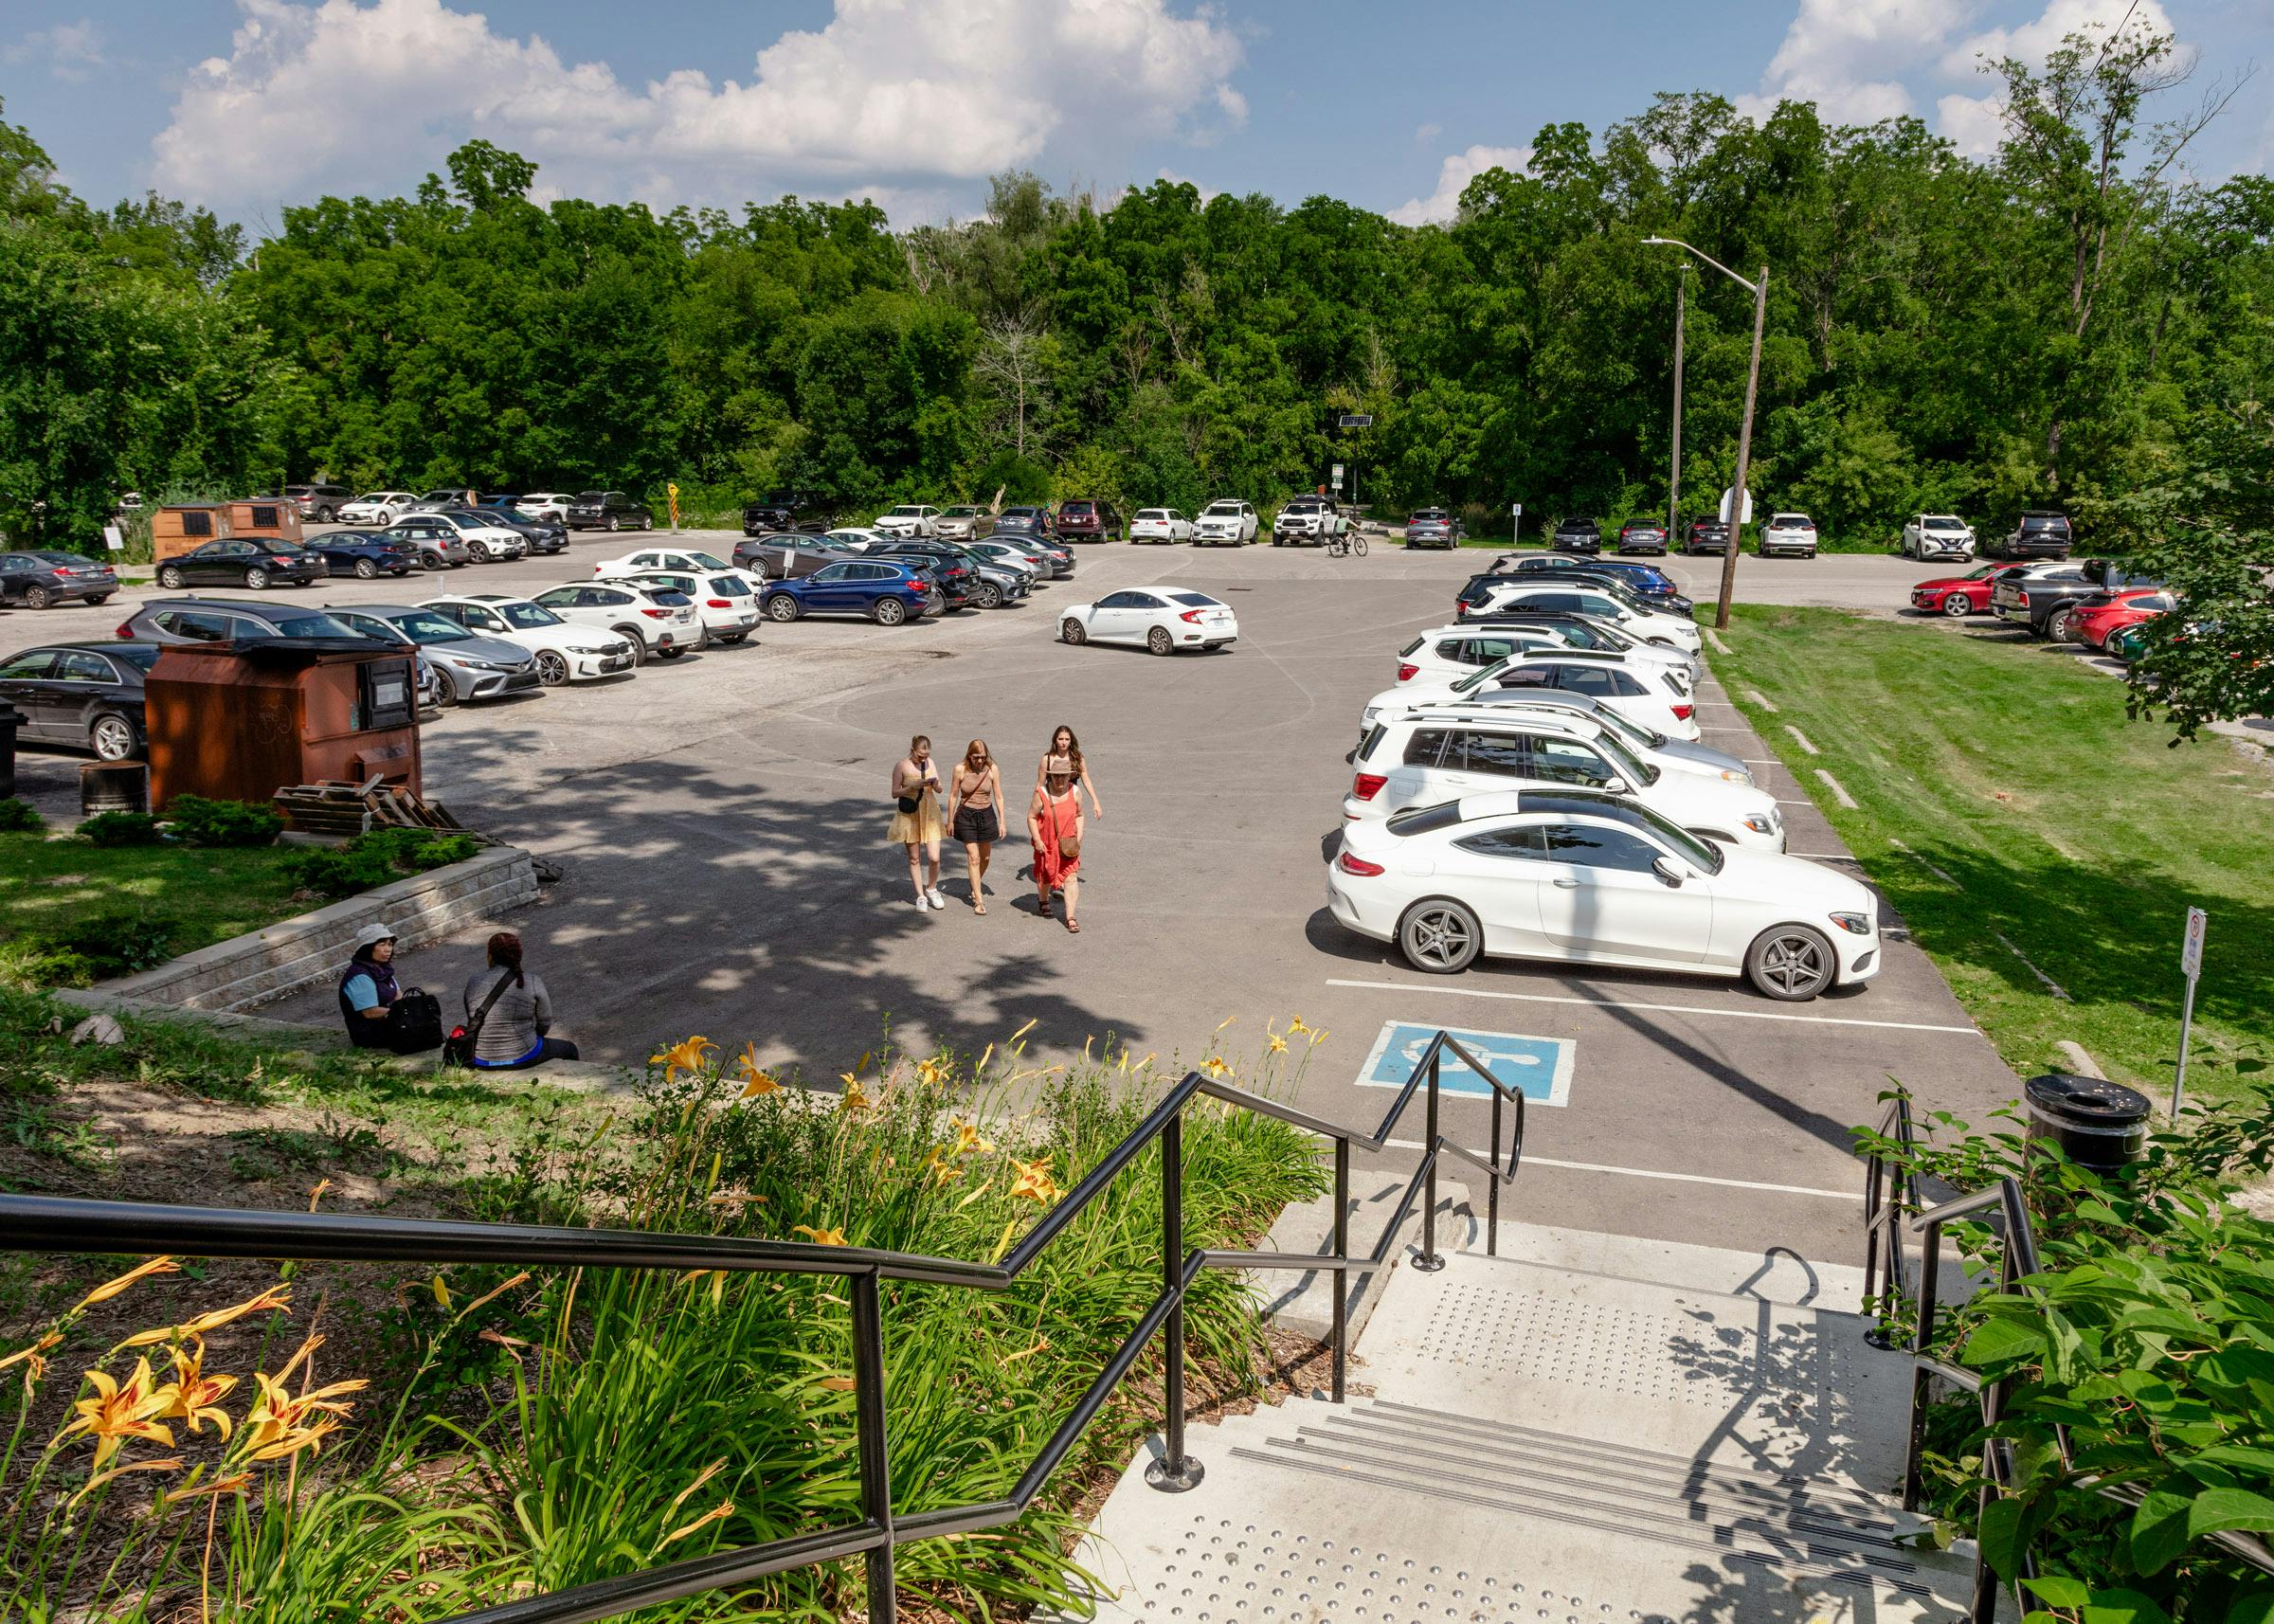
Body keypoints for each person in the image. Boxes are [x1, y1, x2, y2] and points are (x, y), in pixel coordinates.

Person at [461, 931, 580, 1069]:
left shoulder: (473, 982)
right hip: (523, 1056)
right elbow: (544, 1023)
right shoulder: (532, 981)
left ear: (490, 956)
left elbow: (471, 1019)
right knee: (570, 1049)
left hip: (481, 1059)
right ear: (519, 955)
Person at [947, 737, 1004, 914]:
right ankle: (978, 900)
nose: (980, 761)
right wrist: (950, 821)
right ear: (969, 755)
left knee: (985, 858)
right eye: (976, 757)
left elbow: (999, 796)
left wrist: (1002, 821)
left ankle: (975, 884)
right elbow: (953, 796)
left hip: (986, 815)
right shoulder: (960, 769)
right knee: (974, 858)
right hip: (966, 817)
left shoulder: (992, 769)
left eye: (983, 757)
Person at [889, 734, 947, 911]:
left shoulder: (930, 763)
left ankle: (931, 888)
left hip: (930, 812)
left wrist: (935, 784)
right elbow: (894, 792)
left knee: (934, 857)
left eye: (926, 755)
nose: (923, 759)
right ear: (912, 749)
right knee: (915, 858)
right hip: (910, 813)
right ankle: (920, 896)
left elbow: (940, 789)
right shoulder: (902, 765)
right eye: (920, 755)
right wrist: (912, 787)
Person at [1029, 753, 1084, 931]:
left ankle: (1070, 917)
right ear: (1051, 775)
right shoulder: (1042, 793)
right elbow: (1031, 817)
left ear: (1070, 776)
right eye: (1056, 775)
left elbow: (1080, 815)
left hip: (1068, 845)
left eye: (1063, 775)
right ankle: (1043, 900)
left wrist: (1079, 836)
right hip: (1046, 844)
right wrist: (1037, 840)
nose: (1060, 779)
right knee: (1046, 875)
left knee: (1071, 877)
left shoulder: (1075, 791)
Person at [337, 920, 400, 1046]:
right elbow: (370, 1012)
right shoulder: (359, 975)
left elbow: (398, 994)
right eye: (382, 945)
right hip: (370, 1034)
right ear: (368, 948)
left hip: (391, 1024)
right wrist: (402, 1013)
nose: (388, 949)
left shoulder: (383, 968)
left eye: (390, 944)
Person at [1037, 725, 1104, 820]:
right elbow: (1040, 784)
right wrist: (1036, 806)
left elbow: (1086, 780)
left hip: (1070, 801)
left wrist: (1096, 802)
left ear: (1071, 741)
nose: (1064, 742)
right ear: (1055, 740)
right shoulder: (1047, 759)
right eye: (1060, 739)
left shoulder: (1077, 759)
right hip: (1052, 800)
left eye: (1067, 739)